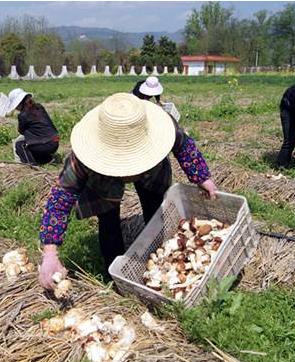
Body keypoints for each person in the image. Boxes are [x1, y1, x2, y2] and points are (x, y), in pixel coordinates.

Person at [37, 93, 218, 289]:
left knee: (157, 212)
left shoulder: (163, 126)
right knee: (108, 222)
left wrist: (202, 177)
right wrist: (50, 253)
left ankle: (163, 259)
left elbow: (184, 147)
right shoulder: (82, 160)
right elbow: (59, 199)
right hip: (102, 180)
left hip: (153, 173)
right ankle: (115, 276)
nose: (129, 173)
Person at [7, 88, 59, 166]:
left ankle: (31, 166)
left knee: (19, 144)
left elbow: (21, 131)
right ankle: (47, 159)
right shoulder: (39, 107)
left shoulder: (23, 115)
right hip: (55, 141)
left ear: (19, 104)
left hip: (46, 144)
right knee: (32, 143)